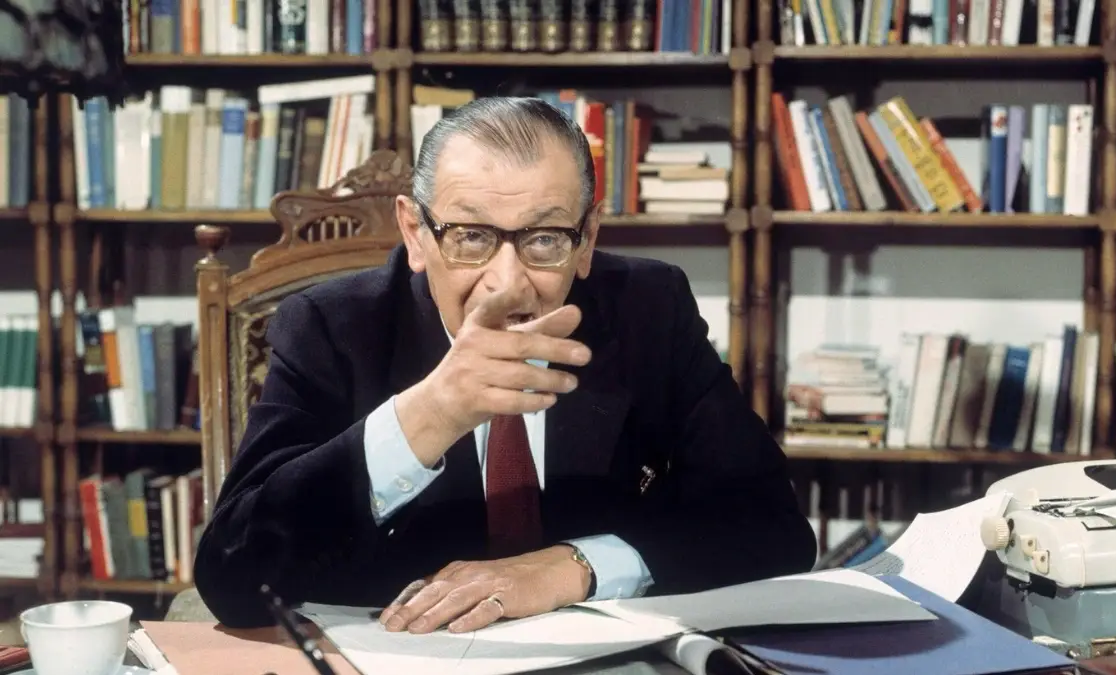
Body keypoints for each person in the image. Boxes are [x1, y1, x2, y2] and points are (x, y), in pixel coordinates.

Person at [193, 96, 817, 631]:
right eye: (471, 236)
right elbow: (233, 577)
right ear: (414, 233)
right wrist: (432, 413)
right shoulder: (332, 326)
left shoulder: (648, 308)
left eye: (545, 238)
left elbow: (773, 525)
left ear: (588, 239)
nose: (507, 284)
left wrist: (575, 565)